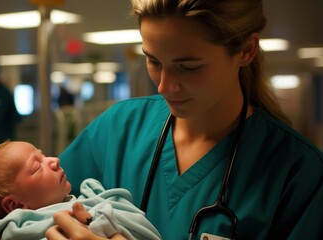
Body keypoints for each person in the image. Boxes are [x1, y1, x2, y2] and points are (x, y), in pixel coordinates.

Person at [45, 0, 323, 239]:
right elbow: (26, 211)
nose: (164, 87)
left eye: (189, 67)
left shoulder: (298, 173)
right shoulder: (119, 129)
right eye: (153, 61)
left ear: (246, 50)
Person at [0, 141, 161, 240]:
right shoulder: (26, 231)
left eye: (44, 155)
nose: (54, 160)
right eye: (38, 166)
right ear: (15, 205)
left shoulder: (83, 198)